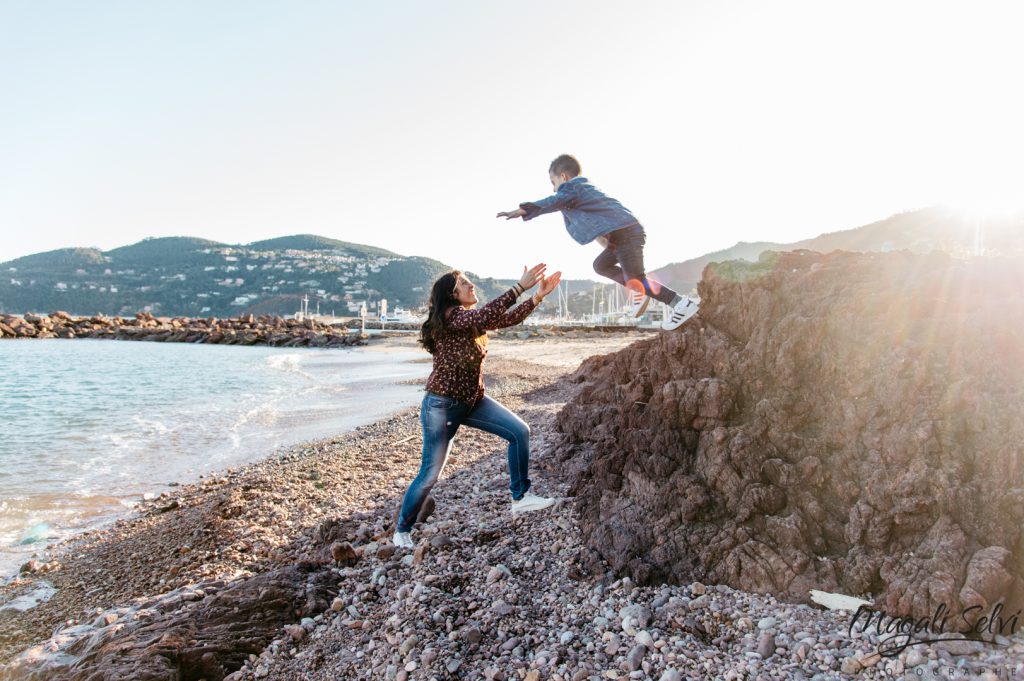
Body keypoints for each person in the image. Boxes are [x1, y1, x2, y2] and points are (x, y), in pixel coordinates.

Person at [393, 264, 562, 548]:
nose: (472, 287)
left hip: (473, 401)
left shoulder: (469, 320)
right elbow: (488, 314)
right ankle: (402, 531)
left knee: (519, 431)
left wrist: (537, 297)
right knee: (430, 474)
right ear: (452, 294)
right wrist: (519, 288)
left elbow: (505, 319)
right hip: (442, 406)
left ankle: (520, 497)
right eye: (466, 284)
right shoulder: (450, 317)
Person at [497, 154, 698, 330]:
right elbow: (599, 227)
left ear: (563, 177)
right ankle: (638, 288)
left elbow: (551, 202)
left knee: (637, 276)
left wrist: (524, 210)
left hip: (627, 234)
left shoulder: (571, 188)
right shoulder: (584, 191)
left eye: (553, 181)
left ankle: (680, 304)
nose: (553, 187)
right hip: (622, 235)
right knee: (601, 265)